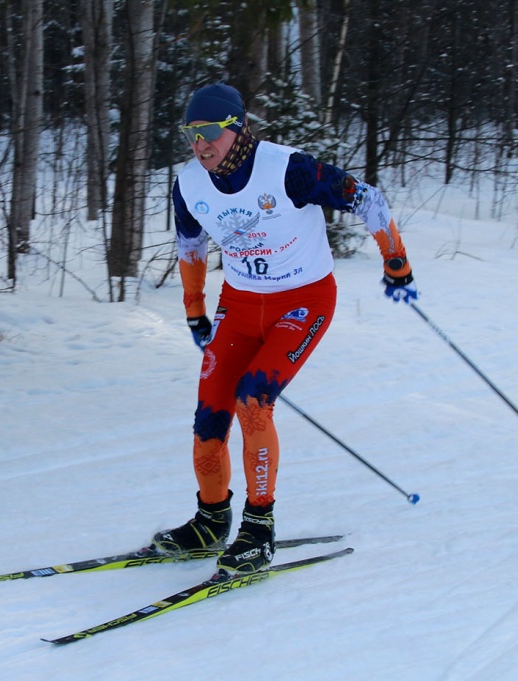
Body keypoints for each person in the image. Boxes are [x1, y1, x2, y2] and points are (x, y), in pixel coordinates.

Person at [150, 82, 417, 579]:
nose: (200, 145)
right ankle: (211, 523)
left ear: (237, 128)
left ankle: (258, 529)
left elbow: (367, 198)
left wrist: (395, 260)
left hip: (303, 301)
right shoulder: (189, 184)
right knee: (210, 415)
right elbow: (190, 246)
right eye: (191, 135)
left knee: (254, 399)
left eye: (209, 132)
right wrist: (194, 307)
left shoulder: (287, 169)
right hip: (240, 304)